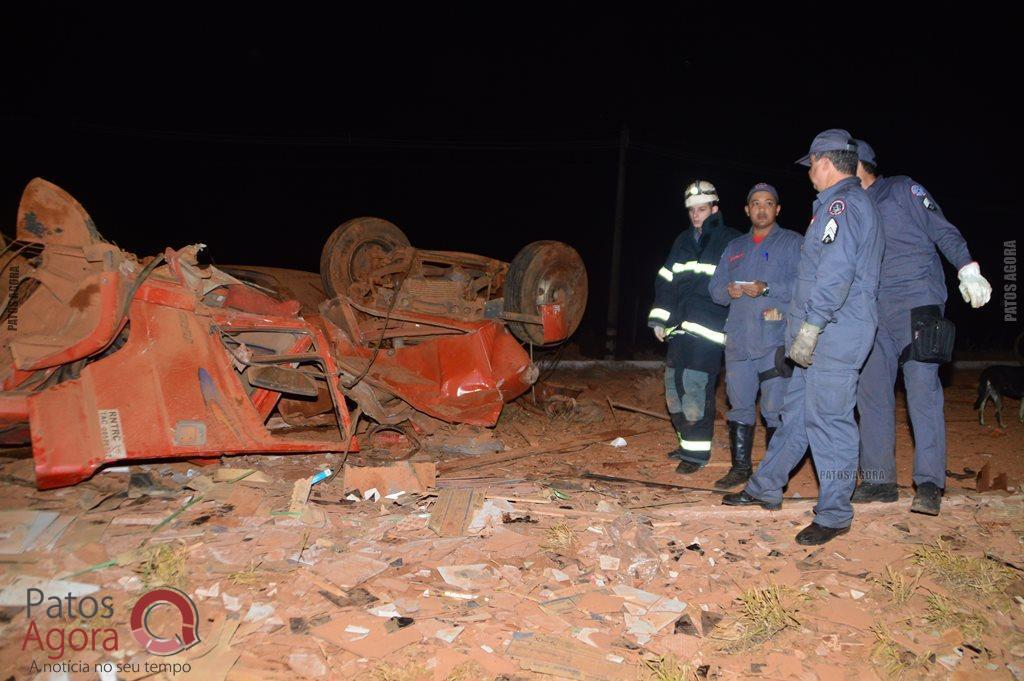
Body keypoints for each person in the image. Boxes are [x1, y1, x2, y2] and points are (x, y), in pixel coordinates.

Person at [722, 129, 884, 546]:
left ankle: (834, 513)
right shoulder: (837, 205)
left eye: (811, 163)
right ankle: (765, 486)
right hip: (820, 332)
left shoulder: (841, 205)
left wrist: (811, 327)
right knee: (796, 416)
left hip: (833, 331)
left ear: (825, 162)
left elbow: (836, 271)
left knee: (830, 420)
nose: (810, 171)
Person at [851, 139, 992, 515]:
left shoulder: (900, 188)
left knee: (921, 391)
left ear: (856, 164)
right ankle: (879, 480)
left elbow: (940, 228)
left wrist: (967, 269)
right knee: (872, 394)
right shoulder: (852, 208)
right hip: (872, 313)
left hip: (916, 302)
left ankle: (929, 483)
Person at [708, 183, 803, 489]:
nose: (761, 208)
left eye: (768, 203)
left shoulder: (792, 243)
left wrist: (768, 288)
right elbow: (715, 290)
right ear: (748, 210)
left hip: (775, 335)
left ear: (777, 209)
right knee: (740, 405)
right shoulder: (734, 248)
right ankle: (740, 468)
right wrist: (728, 290)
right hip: (738, 338)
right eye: (755, 204)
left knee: (775, 408)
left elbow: (805, 287)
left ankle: (774, 474)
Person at [648, 180, 741, 474]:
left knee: (695, 388)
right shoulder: (683, 241)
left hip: (710, 329)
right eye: (692, 211)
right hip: (679, 327)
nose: (697, 215)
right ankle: (687, 443)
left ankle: (697, 455)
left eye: (702, 209)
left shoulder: (731, 240)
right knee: (674, 388)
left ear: (715, 208)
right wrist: (659, 318)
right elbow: (666, 281)